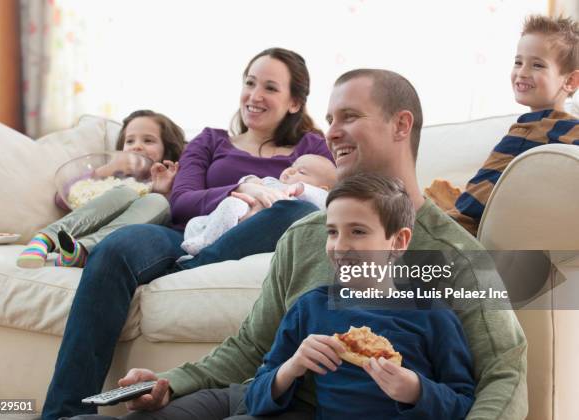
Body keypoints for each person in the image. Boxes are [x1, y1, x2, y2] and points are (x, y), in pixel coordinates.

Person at [67, 70, 527, 420]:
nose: (331, 132)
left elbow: (503, 375)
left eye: (349, 116)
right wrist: (172, 381)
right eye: (329, 119)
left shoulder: (455, 256)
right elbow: (252, 348)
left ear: (401, 125)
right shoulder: (304, 237)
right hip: (271, 399)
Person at [42, 47, 333, 420]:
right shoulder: (211, 141)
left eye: (270, 88)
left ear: (294, 102)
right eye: (249, 83)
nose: (254, 96)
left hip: (253, 235)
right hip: (184, 238)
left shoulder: (311, 149)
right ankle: (62, 413)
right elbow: (182, 200)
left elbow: (325, 201)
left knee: (295, 209)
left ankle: (186, 270)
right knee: (115, 248)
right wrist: (239, 191)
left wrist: (270, 201)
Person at [245, 172, 475, 419]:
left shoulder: (432, 314)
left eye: (357, 231)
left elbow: (464, 402)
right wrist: (293, 366)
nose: (340, 246)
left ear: (398, 241)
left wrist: (417, 391)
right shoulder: (311, 307)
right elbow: (254, 399)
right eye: (332, 232)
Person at [430, 15, 579, 235]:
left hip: (463, 233)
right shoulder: (549, 128)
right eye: (518, 62)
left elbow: (474, 205)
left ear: (570, 81)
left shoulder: (545, 129)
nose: (522, 72)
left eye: (537, 65)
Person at [16, 110, 186, 269]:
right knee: (125, 191)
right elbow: (62, 198)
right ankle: (45, 239)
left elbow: (177, 217)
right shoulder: (114, 176)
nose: (137, 146)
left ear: (167, 148)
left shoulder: (173, 176)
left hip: (116, 240)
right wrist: (106, 170)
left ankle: (82, 251)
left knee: (157, 201)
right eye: (130, 141)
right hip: (84, 227)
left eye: (148, 140)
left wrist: (163, 191)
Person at [181, 154, 336, 255]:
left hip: (257, 224)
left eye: (301, 172)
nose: (290, 171)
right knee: (202, 219)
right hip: (231, 214)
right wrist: (250, 182)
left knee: (231, 204)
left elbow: (324, 201)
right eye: (292, 166)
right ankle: (203, 239)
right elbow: (248, 182)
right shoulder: (272, 182)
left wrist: (302, 188)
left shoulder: (313, 197)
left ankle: (206, 244)